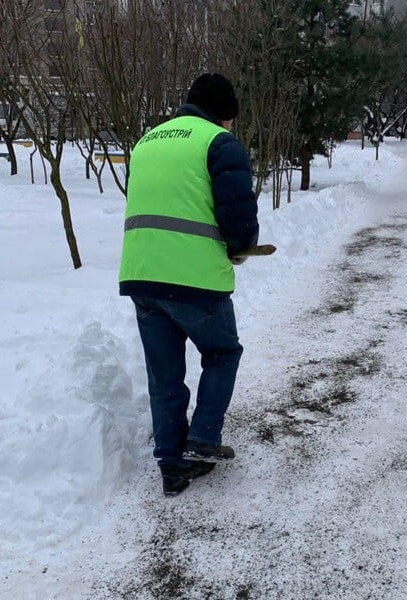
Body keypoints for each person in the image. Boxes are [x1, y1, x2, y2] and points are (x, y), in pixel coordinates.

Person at [119, 73, 259, 496]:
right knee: (221, 352)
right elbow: (238, 215)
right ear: (225, 114)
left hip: (142, 275)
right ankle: (203, 437)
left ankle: (172, 464)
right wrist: (240, 247)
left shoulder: (147, 141)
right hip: (195, 279)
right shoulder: (218, 143)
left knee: (164, 376)